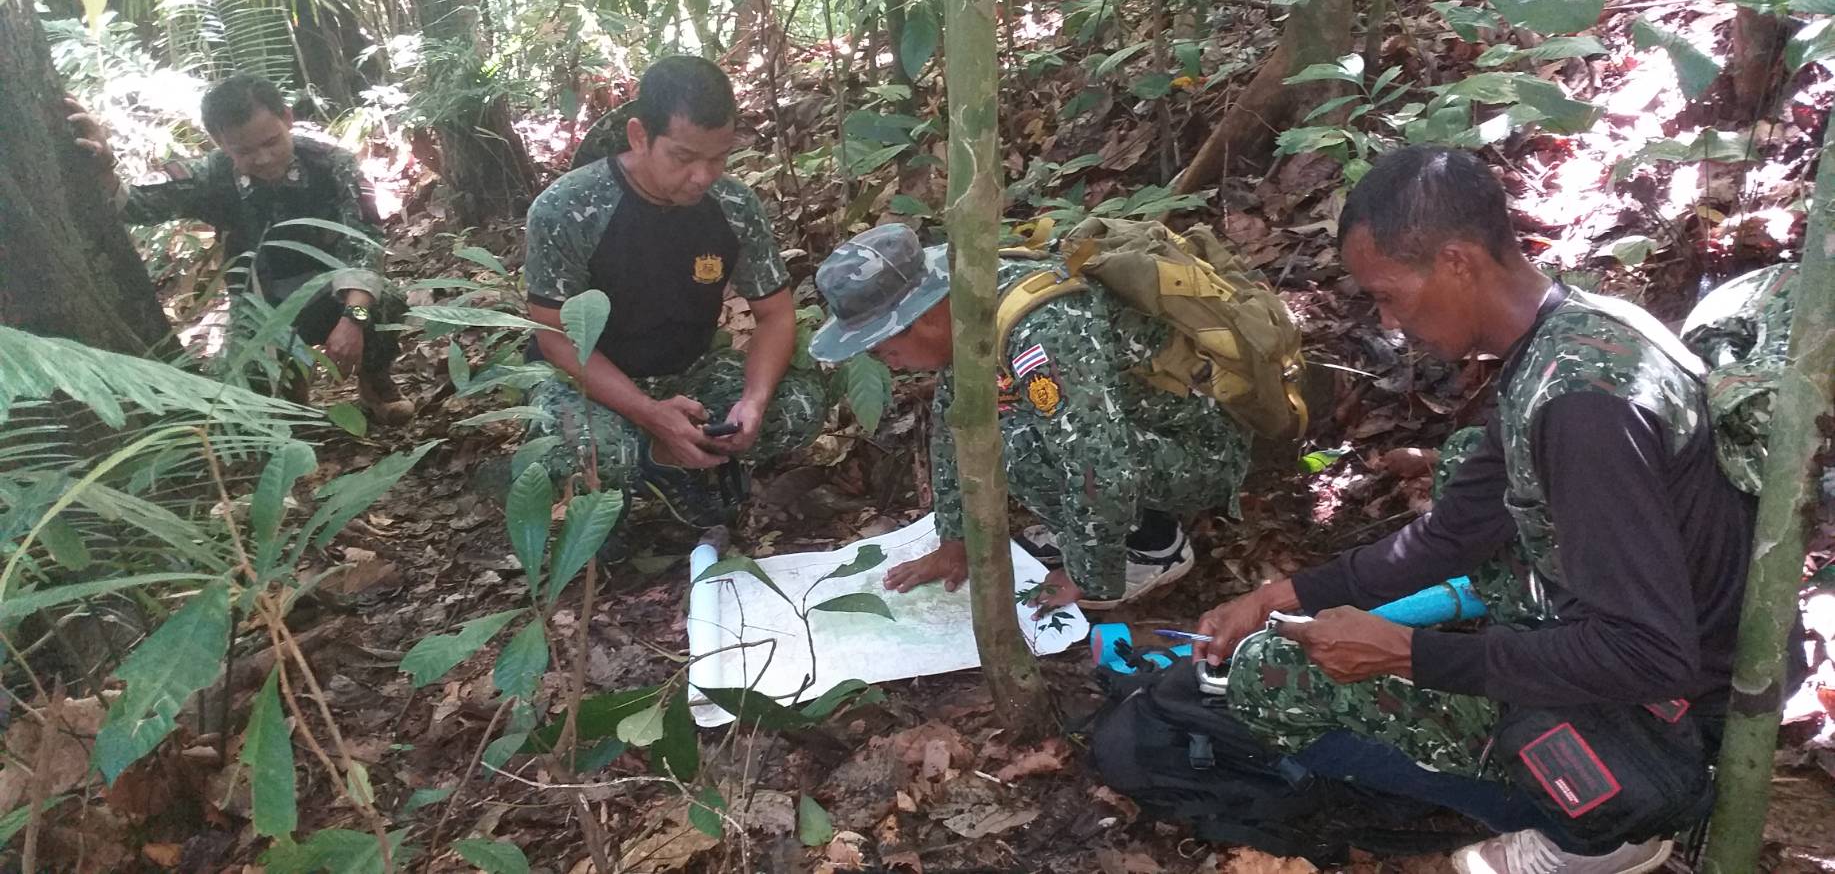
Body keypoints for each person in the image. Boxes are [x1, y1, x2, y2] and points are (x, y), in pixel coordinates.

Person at [1188, 145, 1800, 873]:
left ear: (1456, 262)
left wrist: (1406, 653)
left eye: (1388, 295)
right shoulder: (1577, 332)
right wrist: (1279, 596)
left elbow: (1645, 654)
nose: (1389, 321)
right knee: (1462, 466)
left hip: (1670, 712)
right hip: (1660, 635)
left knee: (1272, 678)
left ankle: (1598, 829)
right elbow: (1454, 532)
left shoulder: (1582, 410)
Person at [808, 224, 1254, 610]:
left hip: (1202, 448)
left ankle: (1152, 545)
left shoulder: (1043, 326)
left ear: (921, 318)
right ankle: (1094, 531)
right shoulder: (966, 307)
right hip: (1141, 429)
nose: (887, 363)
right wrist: (956, 542)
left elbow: (1098, 464)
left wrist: (1086, 574)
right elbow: (953, 426)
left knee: (1017, 444)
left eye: (881, 349)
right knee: (1007, 425)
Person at [520, 55, 827, 534]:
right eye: (683, 158)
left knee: (799, 405)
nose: (703, 176)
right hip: (589, 381)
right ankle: (638, 476)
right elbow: (556, 337)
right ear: (639, 136)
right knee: (578, 448)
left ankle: (677, 461)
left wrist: (753, 400)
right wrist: (650, 416)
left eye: (718, 158)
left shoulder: (734, 206)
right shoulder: (567, 210)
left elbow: (776, 315)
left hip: (688, 374)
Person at [65, 74, 413, 423]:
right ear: (219, 142)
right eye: (244, 151)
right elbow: (139, 205)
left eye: (271, 141)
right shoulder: (212, 176)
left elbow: (364, 245)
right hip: (262, 314)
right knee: (270, 408)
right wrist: (105, 167)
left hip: (336, 297)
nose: (263, 158)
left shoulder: (333, 165)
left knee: (384, 302)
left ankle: (375, 384)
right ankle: (291, 397)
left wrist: (353, 319)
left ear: (287, 118)